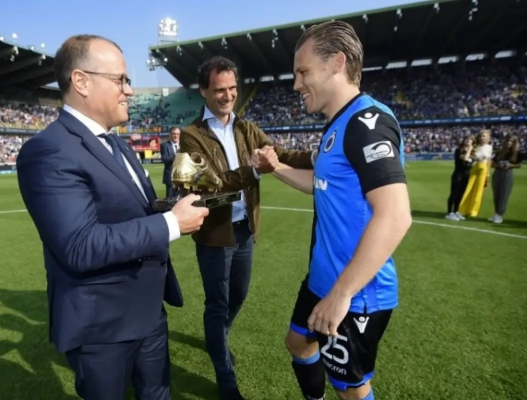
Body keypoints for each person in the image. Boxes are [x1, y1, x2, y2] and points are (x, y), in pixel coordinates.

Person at [15, 34, 209, 400]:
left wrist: (178, 205)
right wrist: (171, 224)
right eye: (120, 80)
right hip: (101, 326)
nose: (130, 90)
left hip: (148, 309)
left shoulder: (118, 143)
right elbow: (79, 245)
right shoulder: (48, 151)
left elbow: (133, 208)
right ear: (81, 81)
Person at [264, 21, 412, 400]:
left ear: (337, 63)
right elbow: (320, 183)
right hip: (322, 280)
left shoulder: (367, 122)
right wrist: (275, 168)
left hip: (355, 292)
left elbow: (395, 215)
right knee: (298, 342)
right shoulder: (337, 124)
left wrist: (342, 294)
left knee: (351, 390)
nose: (296, 84)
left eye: (303, 72)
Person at [178, 55, 316, 400]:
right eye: (219, 90)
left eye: (232, 88)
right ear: (203, 91)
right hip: (214, 234)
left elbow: (279, 154)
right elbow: (206, 184)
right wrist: (253, 171)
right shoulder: (191, 135)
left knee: (237, 297)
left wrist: (318, 155)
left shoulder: (246, 128)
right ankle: (226, 380)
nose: (228, 95)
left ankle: (218, 338)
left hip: (244, 230)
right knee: (217, 304)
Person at [459, 129, 492, 217]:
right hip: (474, 167)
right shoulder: (475, 146)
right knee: (469, 188)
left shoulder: (489, 147)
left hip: (483, 168)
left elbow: (489, 160)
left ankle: (473, 211)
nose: (482, 138)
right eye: (481, 136)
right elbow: (469, 155)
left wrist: (488, 173)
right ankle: (463, 209)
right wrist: (474, 158)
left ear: (488, 138)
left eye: (484, 136)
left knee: (479, 191)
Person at [489, 134, 522, 224]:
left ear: (514, 143)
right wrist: (498, 165)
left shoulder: (516, 153)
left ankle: (499, 215)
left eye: (511, 141)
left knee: (504, 195)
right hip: (497, 173)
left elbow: (519, 165)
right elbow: (493, 164)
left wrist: (510, 165)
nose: (509, 143)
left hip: (507, 174)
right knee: (496, 194)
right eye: (508, 141)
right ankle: (496, 213)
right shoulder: (500, 152)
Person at [445, 136, 475, 221]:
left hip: (466, 174)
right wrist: (469, 150)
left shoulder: (473, 152)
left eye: (470, 140)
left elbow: (472, 162)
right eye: (467, 139)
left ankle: (456, 211)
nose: (468, 141)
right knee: (454, 193)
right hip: (458, 174)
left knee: (461, 194)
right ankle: (449, 212)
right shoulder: (459, 150)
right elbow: (465, 158)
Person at [161, 126, 180, 197]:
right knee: (170, 200)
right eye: (174, 134)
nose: (176, 136)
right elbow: (165, 160)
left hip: (183, 178)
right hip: (170, 178)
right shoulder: (164, 145)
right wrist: (176, 154)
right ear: (170, 134)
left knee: (183, 200)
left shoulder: (183, 145)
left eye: (177, 134)